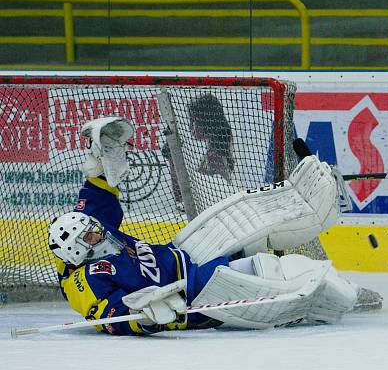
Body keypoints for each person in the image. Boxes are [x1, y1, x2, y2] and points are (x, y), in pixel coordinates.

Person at [50, 117, 359, 335]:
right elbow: (106, 314)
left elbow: (98, 190)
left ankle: (316, 203)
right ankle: (333, 297)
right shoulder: (84, 279)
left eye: (94, 228)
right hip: (192, 295)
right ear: (77, 249)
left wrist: (105, 154)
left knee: (249, 214)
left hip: (185, 254)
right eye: (91, 235)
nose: (99, 231)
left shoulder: (86, 228)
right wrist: (142, 319)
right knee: (272, 270)